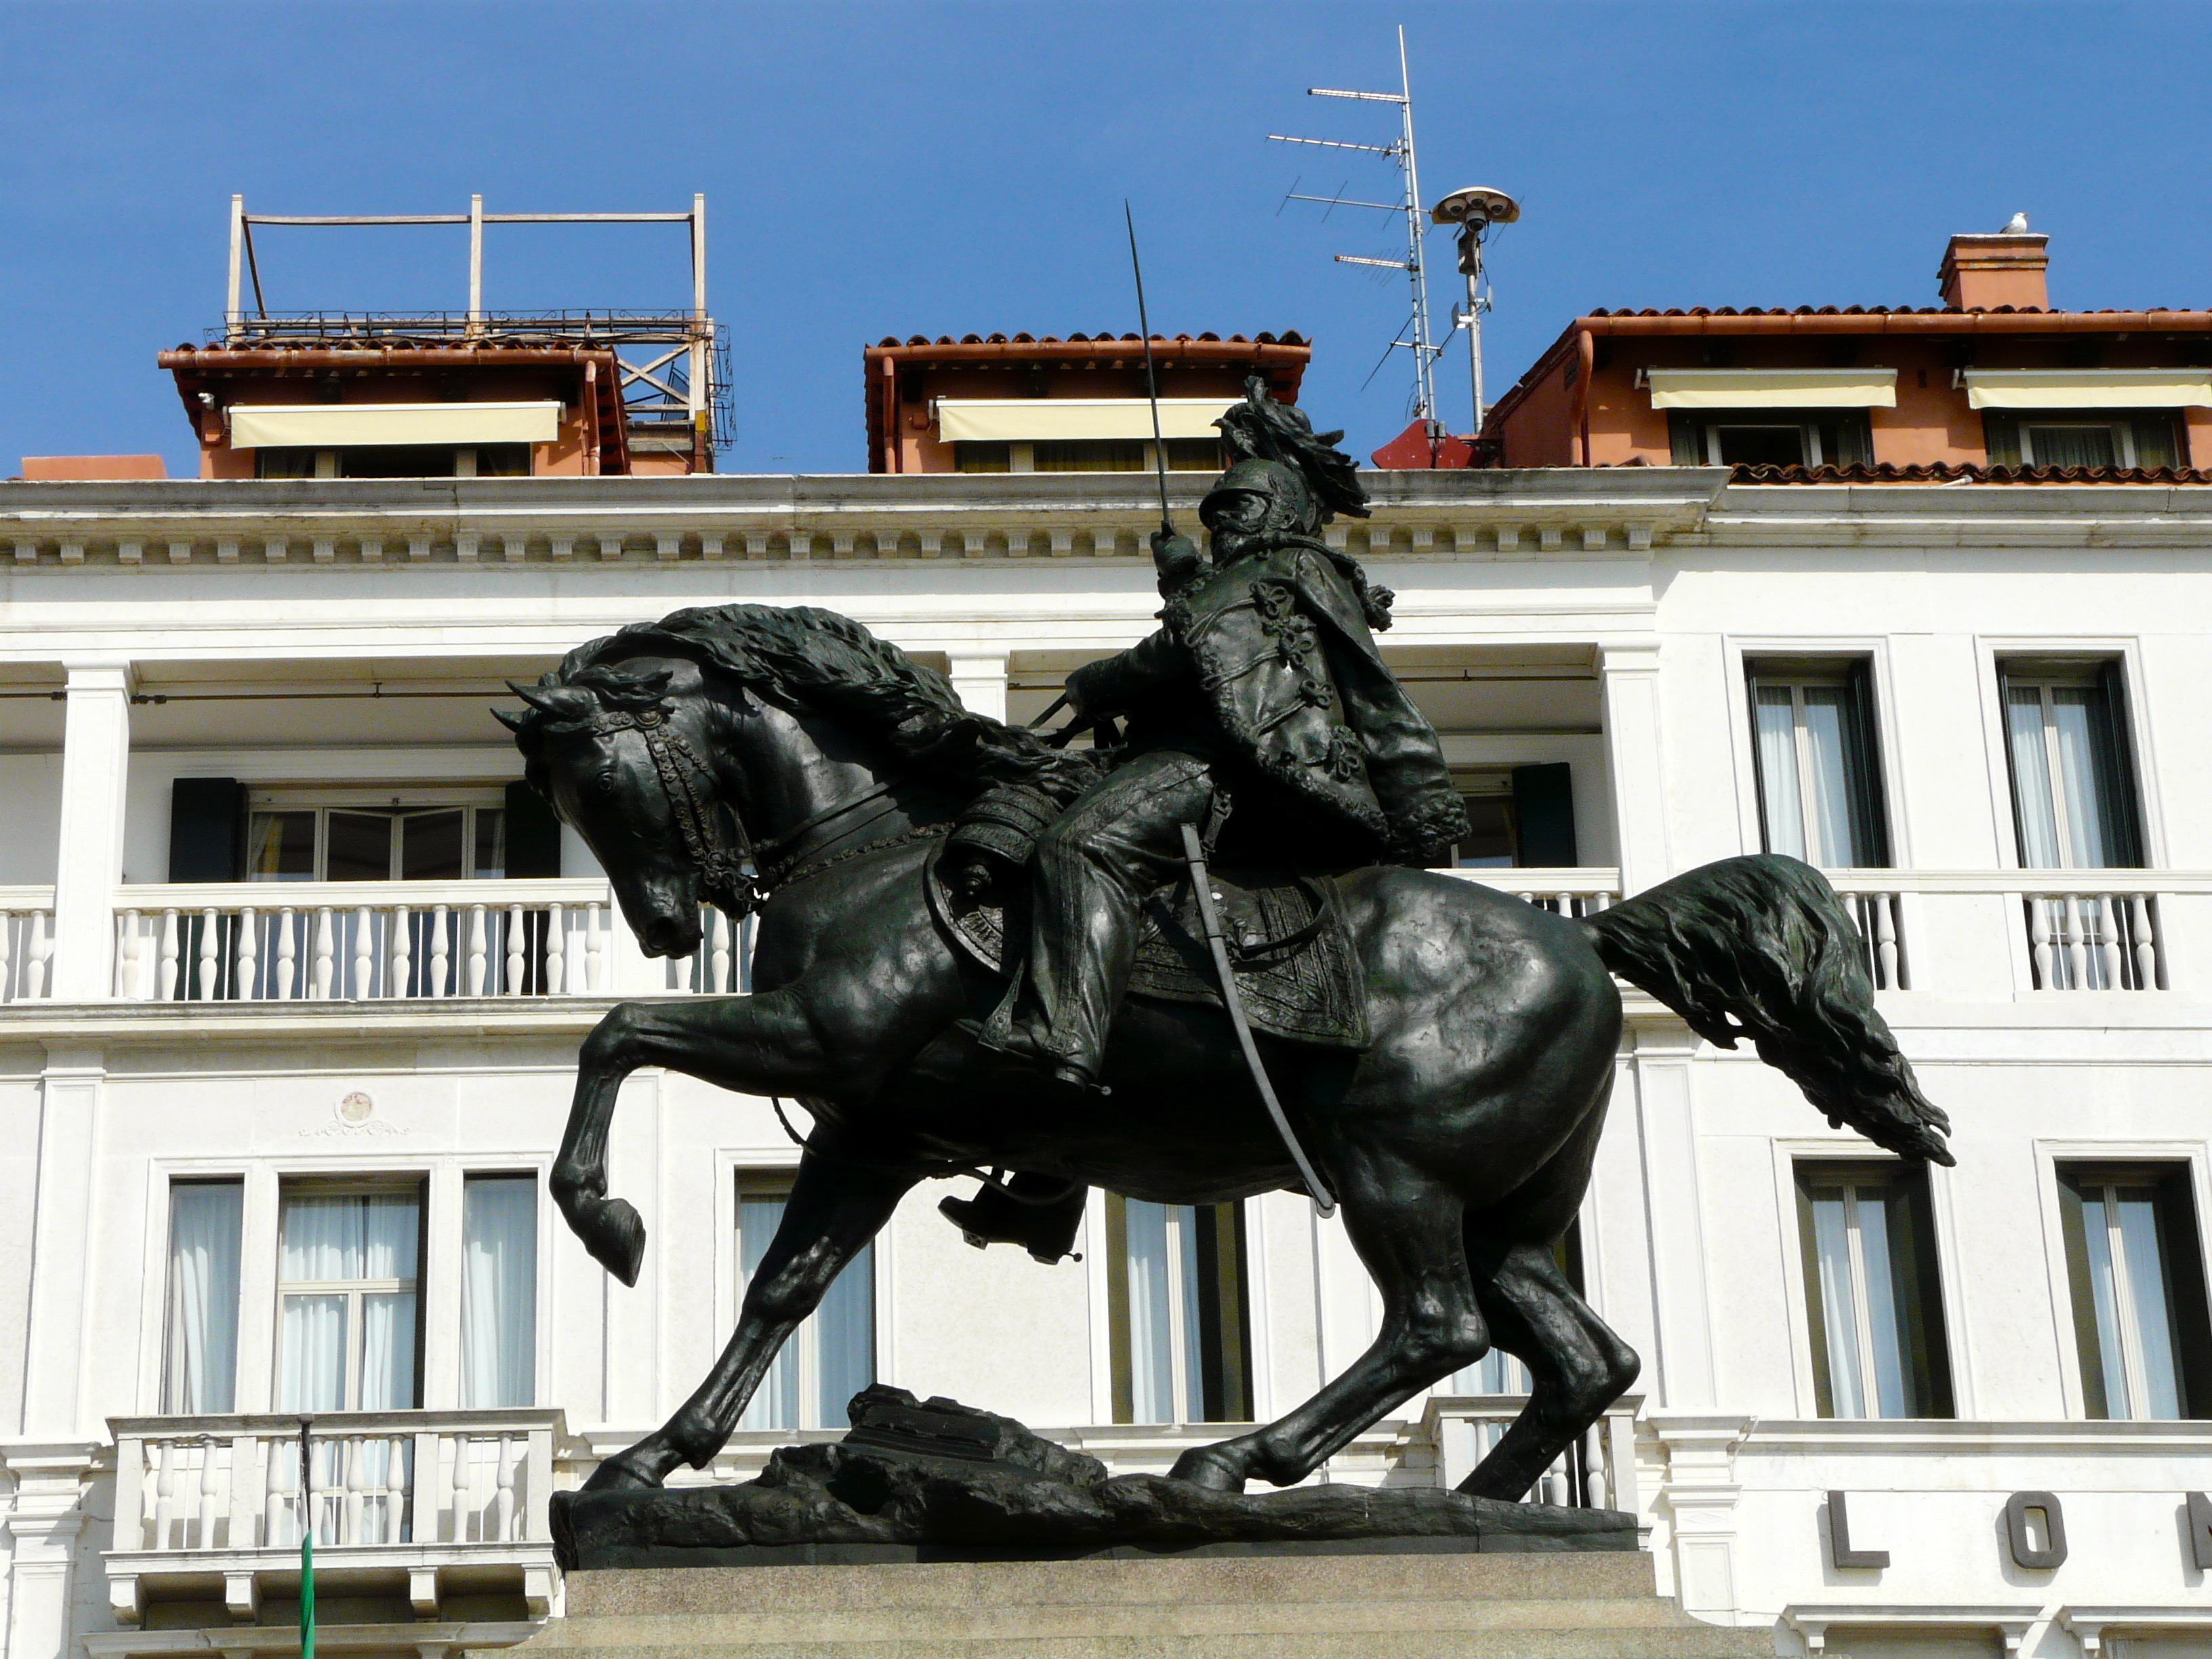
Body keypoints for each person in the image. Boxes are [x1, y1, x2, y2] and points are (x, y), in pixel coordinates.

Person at [975, 380, 1469, 1095]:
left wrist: (1093, 683)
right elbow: (1213, 653)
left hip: (1222, 769)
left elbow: (1179, 657)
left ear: (1276, 510)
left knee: (1079, 844)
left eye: (1237, 510)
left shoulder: (1289, 568)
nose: (1222, 527)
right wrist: (1184, 587)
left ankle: (1066, 1034)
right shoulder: (1247, 579)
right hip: (1193, 756)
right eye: (1216, 517)